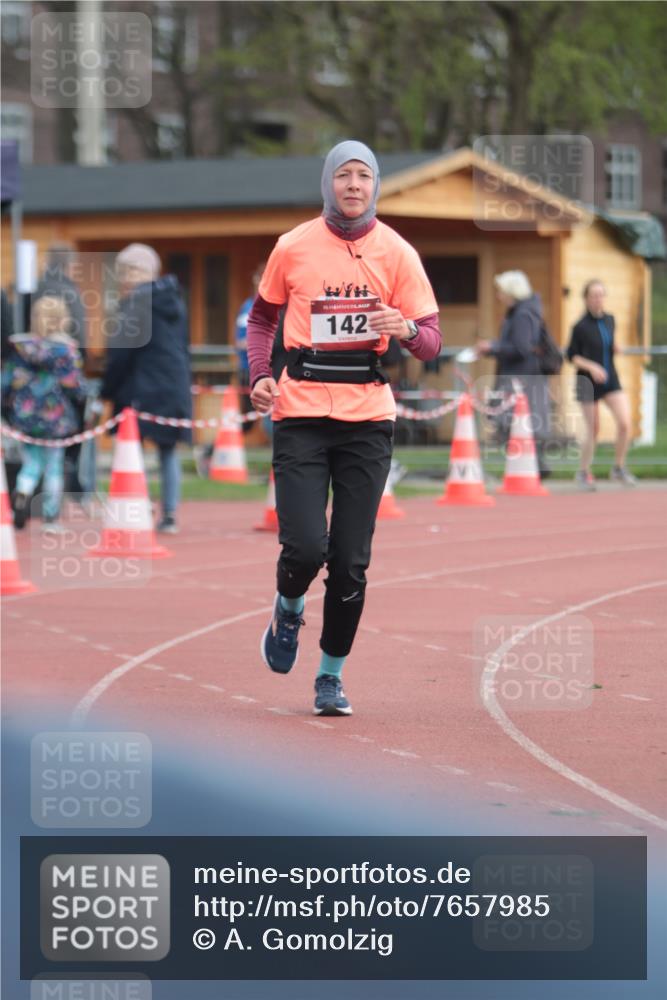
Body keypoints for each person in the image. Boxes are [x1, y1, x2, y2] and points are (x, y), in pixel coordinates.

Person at [247, 139, 442, 717]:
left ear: (375, 185)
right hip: (302, 410)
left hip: (367, 416)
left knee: (351, 560)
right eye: (343, 176)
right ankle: (288, 606)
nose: (353, 186)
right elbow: (262, 318)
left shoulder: (398, 253)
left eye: (364, 176)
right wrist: (260, 373)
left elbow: (430, 342)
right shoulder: (294, 245)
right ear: (328, 182)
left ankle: (330, 676)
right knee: (306, 546)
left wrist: (404, 327)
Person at [101, 243, 191, 533]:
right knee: (168, 451)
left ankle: (138, 507)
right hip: (174, 384)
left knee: (132, 450)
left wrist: (106, 390)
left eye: (123, 272)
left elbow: (121, 352)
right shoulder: (174, 300)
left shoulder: (135, 304)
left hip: (140, 386)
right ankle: (170, 515)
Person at [2, 296, 86, 531]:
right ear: (62, 320)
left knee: (31, 464)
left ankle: (20, 499)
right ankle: (51, 517)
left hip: (27, 417)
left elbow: (7, 380)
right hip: (56, 418)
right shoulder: (66, 351)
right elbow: (74, 385)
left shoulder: (20, 348)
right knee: (54, 466)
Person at [477, 270, 551, 478]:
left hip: (520, 378)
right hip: (522, 376)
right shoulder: (525, 311)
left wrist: (492, 347)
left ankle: (533, 466)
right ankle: (530, 467)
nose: (499, 296)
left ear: (512, 292)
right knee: (516, 425)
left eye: (501, 291)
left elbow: (520, 347)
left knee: (512, 424)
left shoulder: (522, 314)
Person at [566, 279, 636, 490]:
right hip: (587, 381)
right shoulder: (579, 327)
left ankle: (618, 467)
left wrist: (615, 347)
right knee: (593, 429)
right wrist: (592, 367)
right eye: (593, 295)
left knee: (625, 423)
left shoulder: (610, 320)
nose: (598, 299)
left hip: (610, 379)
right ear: (586, 299)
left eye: (601, 295)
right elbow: (572, 356)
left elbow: (607, 341)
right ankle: (583, 472)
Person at [32, 242, 89, 496]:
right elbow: (81, 335)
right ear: (68, 264)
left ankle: (27, 490)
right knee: (62, 449)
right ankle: (69, 487)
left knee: (32, 452)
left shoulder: (34, 288)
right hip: (60, 403)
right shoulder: (69, 292)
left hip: (31, 397)